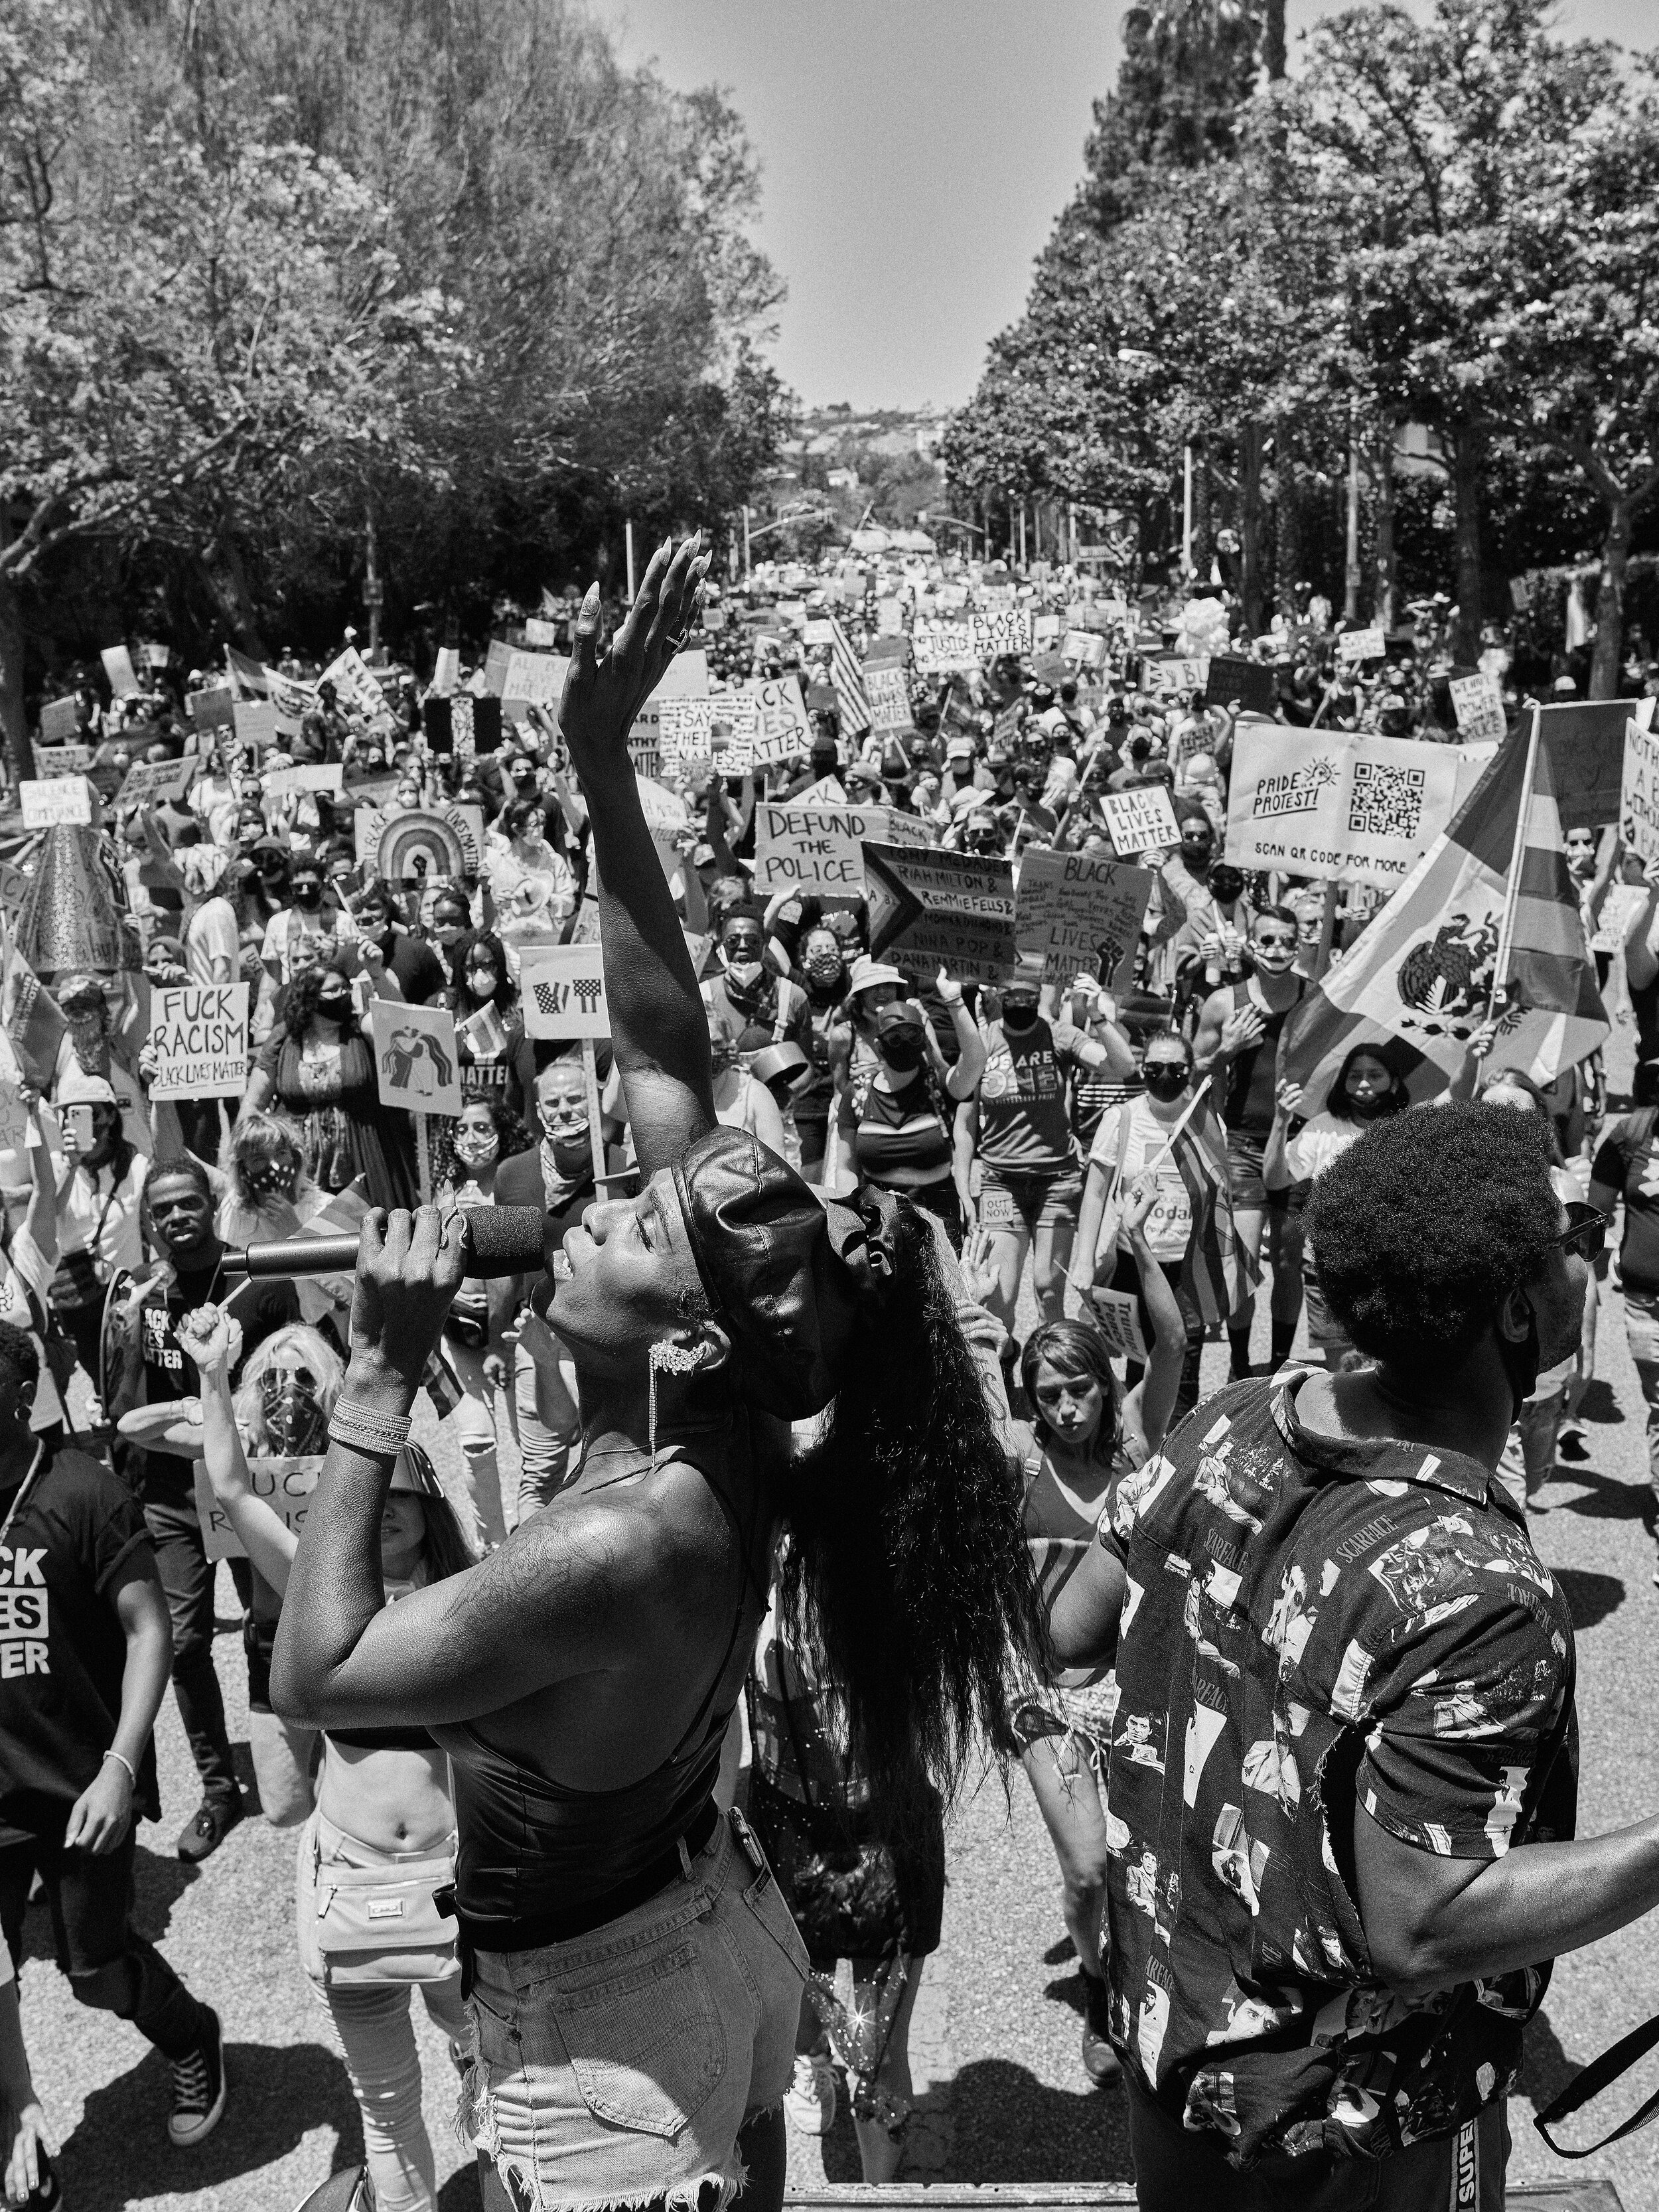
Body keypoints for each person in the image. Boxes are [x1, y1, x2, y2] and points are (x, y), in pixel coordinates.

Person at [271, 537, 1042, 2212]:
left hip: (606, 2030)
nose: (589, 1203)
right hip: (707, 1937)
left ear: (687, 1322)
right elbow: (662, 1049)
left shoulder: (626, 1538)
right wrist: (603, 761)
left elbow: (315, 1675)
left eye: (624, 1219)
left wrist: (376, 1385)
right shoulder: (727, 1399)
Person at [1048, 1102, 1634, 2209]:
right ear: (1513, 1306)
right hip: (1351, 2143)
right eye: (1560, 1249)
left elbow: (1071, 1628)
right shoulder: (1480, 1589)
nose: (1579, 1268)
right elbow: (1425, 1919)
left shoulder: (1230, 1417)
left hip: (1170, 2053)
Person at [180, 1303, 472, 2212]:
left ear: (430, 1518)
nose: (383, 1517)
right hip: (353, 1885)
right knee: (385, 2110)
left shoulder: (473, 1601)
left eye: (402, 1505)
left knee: (500, 2085)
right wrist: (214, 1376)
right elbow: (230, 1488)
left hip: (457, 1886)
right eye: (368, 1502)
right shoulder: (314, 1583)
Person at [0, 1323, 226, 2150]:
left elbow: (149, 1631)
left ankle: (191, 2033)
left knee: (93, 1974)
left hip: (75, 1786)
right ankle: (17, 2146)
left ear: (23, 1396)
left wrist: (120, 1767)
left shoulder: (83, 1492)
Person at [999, 1184, 1186, 2087]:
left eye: (1078, 1388)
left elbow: (1176, 1343)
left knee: (1148, 1862)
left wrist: (1144, 1258)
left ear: (1104, 1384)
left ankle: (1148, 1968)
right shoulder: (1018, 1459)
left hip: (1147, 1691)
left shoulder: (1141, 1448)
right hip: (1047, 1698)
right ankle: (1103, 1985)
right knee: (1084, 1871)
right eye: (1048, 1393)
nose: (1066, 1406)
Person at [106, 1155, 301, 1859]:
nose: (175, 1219)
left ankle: (291, 1756)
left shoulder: (264, 1282)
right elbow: (123, 1410)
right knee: (183, 1644)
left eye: (188, 1204)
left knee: (267, 1628)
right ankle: (220, 1790)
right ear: (147, 1222)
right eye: (161, 1211)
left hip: (247, 1485)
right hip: (167, 1495)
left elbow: (294, 1382)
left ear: (211, 1204)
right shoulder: (141, 1297)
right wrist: (130, 1327)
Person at [1076, 1031, 1232, 1420]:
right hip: (1135, 1262)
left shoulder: (1207, 1123)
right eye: (1154, 1068)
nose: (1165, 1076)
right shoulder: (1121, 1119)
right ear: (1142, 1070)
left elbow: (1218, 1196)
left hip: (1186, 1268)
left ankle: (1175, 1460)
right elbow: (1094, 1193)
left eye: (1176, 1068)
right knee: (1137, 1361)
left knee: (1184, 1365)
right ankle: (1138, 1452)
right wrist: (1082, 1262)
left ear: (1191, 1071)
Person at [1193, 904, 1308, 1377]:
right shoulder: (1224, 1002)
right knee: (1239, 1263)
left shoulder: (1316, 999)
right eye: (1268, 940)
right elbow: (1194, 1069)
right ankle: (1240, 1365)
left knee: (1287, 1260)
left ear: (1298, 944)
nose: (1277, 949)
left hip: (1296, 1144)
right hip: (1239, 1142)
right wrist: (1228, 1048)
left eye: (1286, 940)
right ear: (1250, 942)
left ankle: (1281, 1362)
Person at [492, 1058, 599, 1521]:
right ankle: (526, 1574)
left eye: (575, 1099)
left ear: (594, 1101)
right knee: (539, 1473)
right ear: (537, 1110)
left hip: (603, 1339)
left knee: (602, 1464)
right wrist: (499, 1340)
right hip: (537, 1337)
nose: (565, 1110)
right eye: (552, 1102)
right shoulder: (512, 1176)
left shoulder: (619, 1168)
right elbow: (503, 1271)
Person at [435, 1097, 533, 1552]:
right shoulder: (442, 1187)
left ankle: (535, 1530)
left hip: (514, 1329)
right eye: (461, 1129)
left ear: (502, 1130)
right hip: (457, 1331)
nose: (471, 1138)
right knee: (476, 1442)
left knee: (533, 1440)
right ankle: (491, 1545)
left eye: (481, 1127)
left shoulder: (517, 1181)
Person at [968, 962, 1087, 1329]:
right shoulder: (984, 1040)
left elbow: (1121, 1064)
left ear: (1040, 995)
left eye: (1028, 995)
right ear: (997, 996)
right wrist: (964, 1181)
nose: (1020, 1001)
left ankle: (1052, 1374)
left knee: (1049, 1290)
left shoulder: (1060, 1035)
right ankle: (999, 1377)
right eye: (1011, 995)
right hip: (1000, 1180)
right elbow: (961, 1113)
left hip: (1058, 1178)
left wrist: (1094, 1016)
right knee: (1001, 1295)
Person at [824, 979, 985, 1252]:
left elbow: (974, 1062)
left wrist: (955, 1001)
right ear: (880, 1043)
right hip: (879, 1229)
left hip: (939, 1226)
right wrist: (850, 1220)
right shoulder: (858, 1094)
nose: (904, 1044)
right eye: (895, 1038)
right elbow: (846, 1167)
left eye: (913, 1036)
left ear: (924, 1040)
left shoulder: (939, 1087)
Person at [244, 961, 417, 1211]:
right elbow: (254, 1103)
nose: (343, 994)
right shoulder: (284, 1038)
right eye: (334, 990)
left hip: (366, 1156)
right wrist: (243, 1160)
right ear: (310, 998)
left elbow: (406, 1027)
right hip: (300, 1165)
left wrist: (375, 980)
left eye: (346, 988)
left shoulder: (360, 1029)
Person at [1279, 1043, 1408, 1368]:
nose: (1364, 1084)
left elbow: (1455, 1094)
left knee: (1387, 1369)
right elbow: (1275, 1178)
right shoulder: (1320, 1128)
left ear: (1393, 1082)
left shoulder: (1409, 1131)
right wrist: (1280, 1122)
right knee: (1346, 1371)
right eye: (1355, 1076)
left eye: (1374, 1075)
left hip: (1388, 1271)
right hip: (1327, 1270)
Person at [50, 1069, 149, 1386]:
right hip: (77, 1297)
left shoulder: (135, 1167)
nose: (80, 1123)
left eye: (91, 1113)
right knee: (101, 1378)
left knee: (131, 1378)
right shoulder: (56, 1167)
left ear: (110, 1117)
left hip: (125, 1295)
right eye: (71, 1114)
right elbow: (48, 1218)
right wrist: (70, 1164)